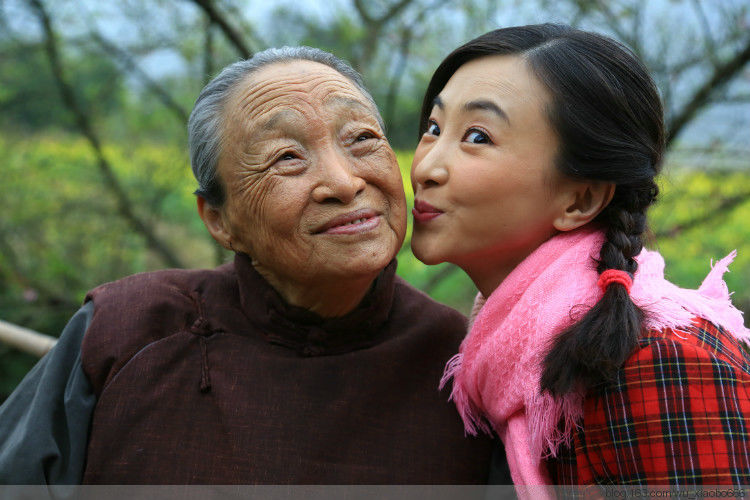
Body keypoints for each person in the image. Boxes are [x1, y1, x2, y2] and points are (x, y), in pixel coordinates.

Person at [0, 46, 497, 484]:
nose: (344, 183)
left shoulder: (463, 364)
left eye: (362, 139)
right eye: (286, 157)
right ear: (219, 220)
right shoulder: (125, 330)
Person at [410, 24, 750, 492]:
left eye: (477, 137)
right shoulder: (498, 358)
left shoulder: (661, 364)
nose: (425, 168)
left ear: (580, 200)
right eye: (433, 128)